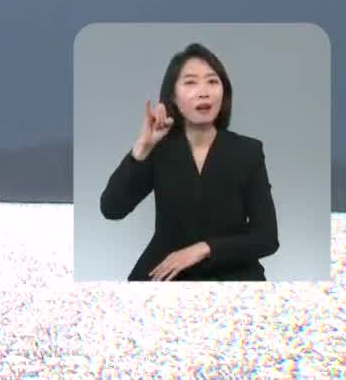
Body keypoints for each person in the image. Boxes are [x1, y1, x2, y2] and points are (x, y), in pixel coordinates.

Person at [98, 42, 279, 280]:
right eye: (190, 82)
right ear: (173, 95)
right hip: (166, 273)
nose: (203, 91)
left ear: (224, 91)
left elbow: (266, 238)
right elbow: (111, 209)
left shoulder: (248, 151)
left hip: (233, 273)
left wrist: (204, 249)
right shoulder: (159, 149)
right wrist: (142, 148)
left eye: (212, 81)